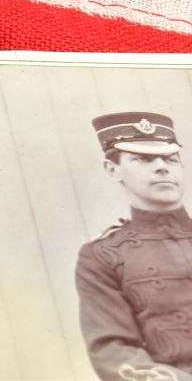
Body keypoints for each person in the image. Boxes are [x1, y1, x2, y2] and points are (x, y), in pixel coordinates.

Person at [75, 112, 192, 380]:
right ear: (113, 169)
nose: (162, 167)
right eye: (143, 159)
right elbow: (114, 351)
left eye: (171, 159)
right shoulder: (102, 257)